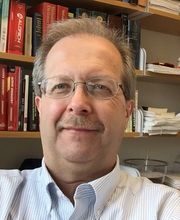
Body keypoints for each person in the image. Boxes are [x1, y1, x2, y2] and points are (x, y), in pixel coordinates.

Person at [0, 18, 180, 220]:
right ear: (39, 107)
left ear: (127, 111)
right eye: (60, 86)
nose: (78, 104)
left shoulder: (166, 208)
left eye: (100, 86)